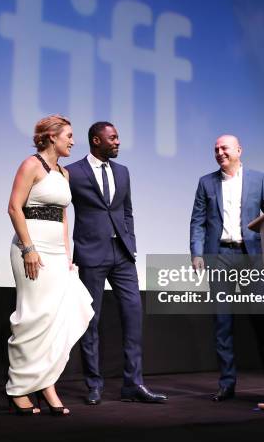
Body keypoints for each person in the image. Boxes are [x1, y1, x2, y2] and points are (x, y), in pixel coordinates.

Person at [66, 122, 168, 405]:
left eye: (118, 137)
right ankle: (94, 385)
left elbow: (127, 211)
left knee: (133, 315)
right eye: (113, 138)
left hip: (122, 255)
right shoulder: (72, 172)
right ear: (96, 140)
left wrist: (131, 244)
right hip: (91, 253)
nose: (118, 142)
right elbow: (63, 209)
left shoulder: (123, 172)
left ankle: (133, 384)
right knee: (91, 321)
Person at [6, 114, 94, 416]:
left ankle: (47, 384)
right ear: (51, 136)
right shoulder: (31, 165)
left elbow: (63, 216)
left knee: (59, 318)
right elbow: (14, 207)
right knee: (32, 318)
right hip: (32, 249)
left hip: (57, 253)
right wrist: (28, 248)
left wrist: (67, 256)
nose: (73, 140)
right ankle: (18, 388)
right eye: (68, 135)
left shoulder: (64, 173)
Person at [190, 134, 264, 402]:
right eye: (215, 149)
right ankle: (227, 384)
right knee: (222, 323)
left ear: (239, 150)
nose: (219, 152)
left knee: (263, 323)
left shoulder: (258, 179)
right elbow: (197, 221)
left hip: (251, 257)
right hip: (220, 256)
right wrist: (196, 253)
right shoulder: (206, 182)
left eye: (224, 148)